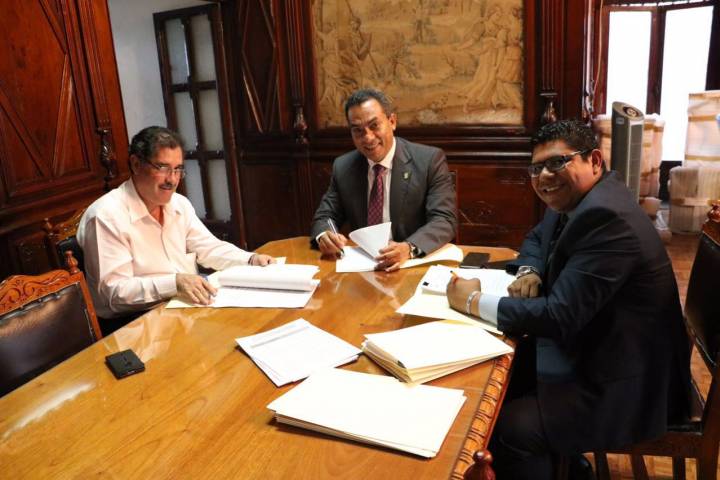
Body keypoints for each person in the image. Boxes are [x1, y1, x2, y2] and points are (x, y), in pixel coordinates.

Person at [447, 120, 690, 479]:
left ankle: (558, 464)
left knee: (512, 428)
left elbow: (559, 316)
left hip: (629, 383)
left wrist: (472, 301)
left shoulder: (607, 218)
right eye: (536, 168)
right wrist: (529, 270)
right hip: (599, 347)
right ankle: (569, 465)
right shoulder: (579, 199)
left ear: (594, 161)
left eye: (557, 162)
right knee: (497, 376)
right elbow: (536, 238)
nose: (544, 176)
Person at [78, 126, 274, 327]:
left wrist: (249, 259)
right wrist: (175, 283)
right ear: (136, 164)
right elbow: (114, 293)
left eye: (178, 169)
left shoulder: (179, 204)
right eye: (162, 168)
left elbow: (208, 247)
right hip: (132, 322)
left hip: (183, 307)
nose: (172, 180)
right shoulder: (105, 216)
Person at [310, 88, 457, 271]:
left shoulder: (428, 161)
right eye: (358, 131)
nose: (368, 138)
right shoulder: (344, 167)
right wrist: (324, 235)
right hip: (364, 268)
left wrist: (409, 248)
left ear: (392, 121)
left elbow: (444, 220)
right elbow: (325, 216)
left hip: (411, 265)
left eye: (374, 126)